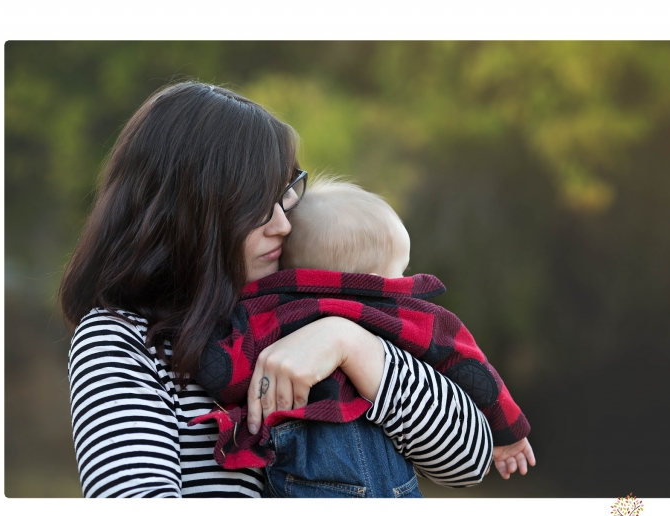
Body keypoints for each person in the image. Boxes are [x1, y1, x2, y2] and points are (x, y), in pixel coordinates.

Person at [60, 81, 494, 498]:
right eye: (256, 204)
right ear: (191, 210)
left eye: (283, 196)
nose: (283, 224)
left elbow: (470, 460)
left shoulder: (309, 312)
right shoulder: (123, 340)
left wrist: (347, 342)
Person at [193, 177, 535, 492]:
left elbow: (225, 370)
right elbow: (470, 368)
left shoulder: (265, 307)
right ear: (374, 280)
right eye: (399, 271)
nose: (401, 282)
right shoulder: (404, 313)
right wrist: (509, 430)